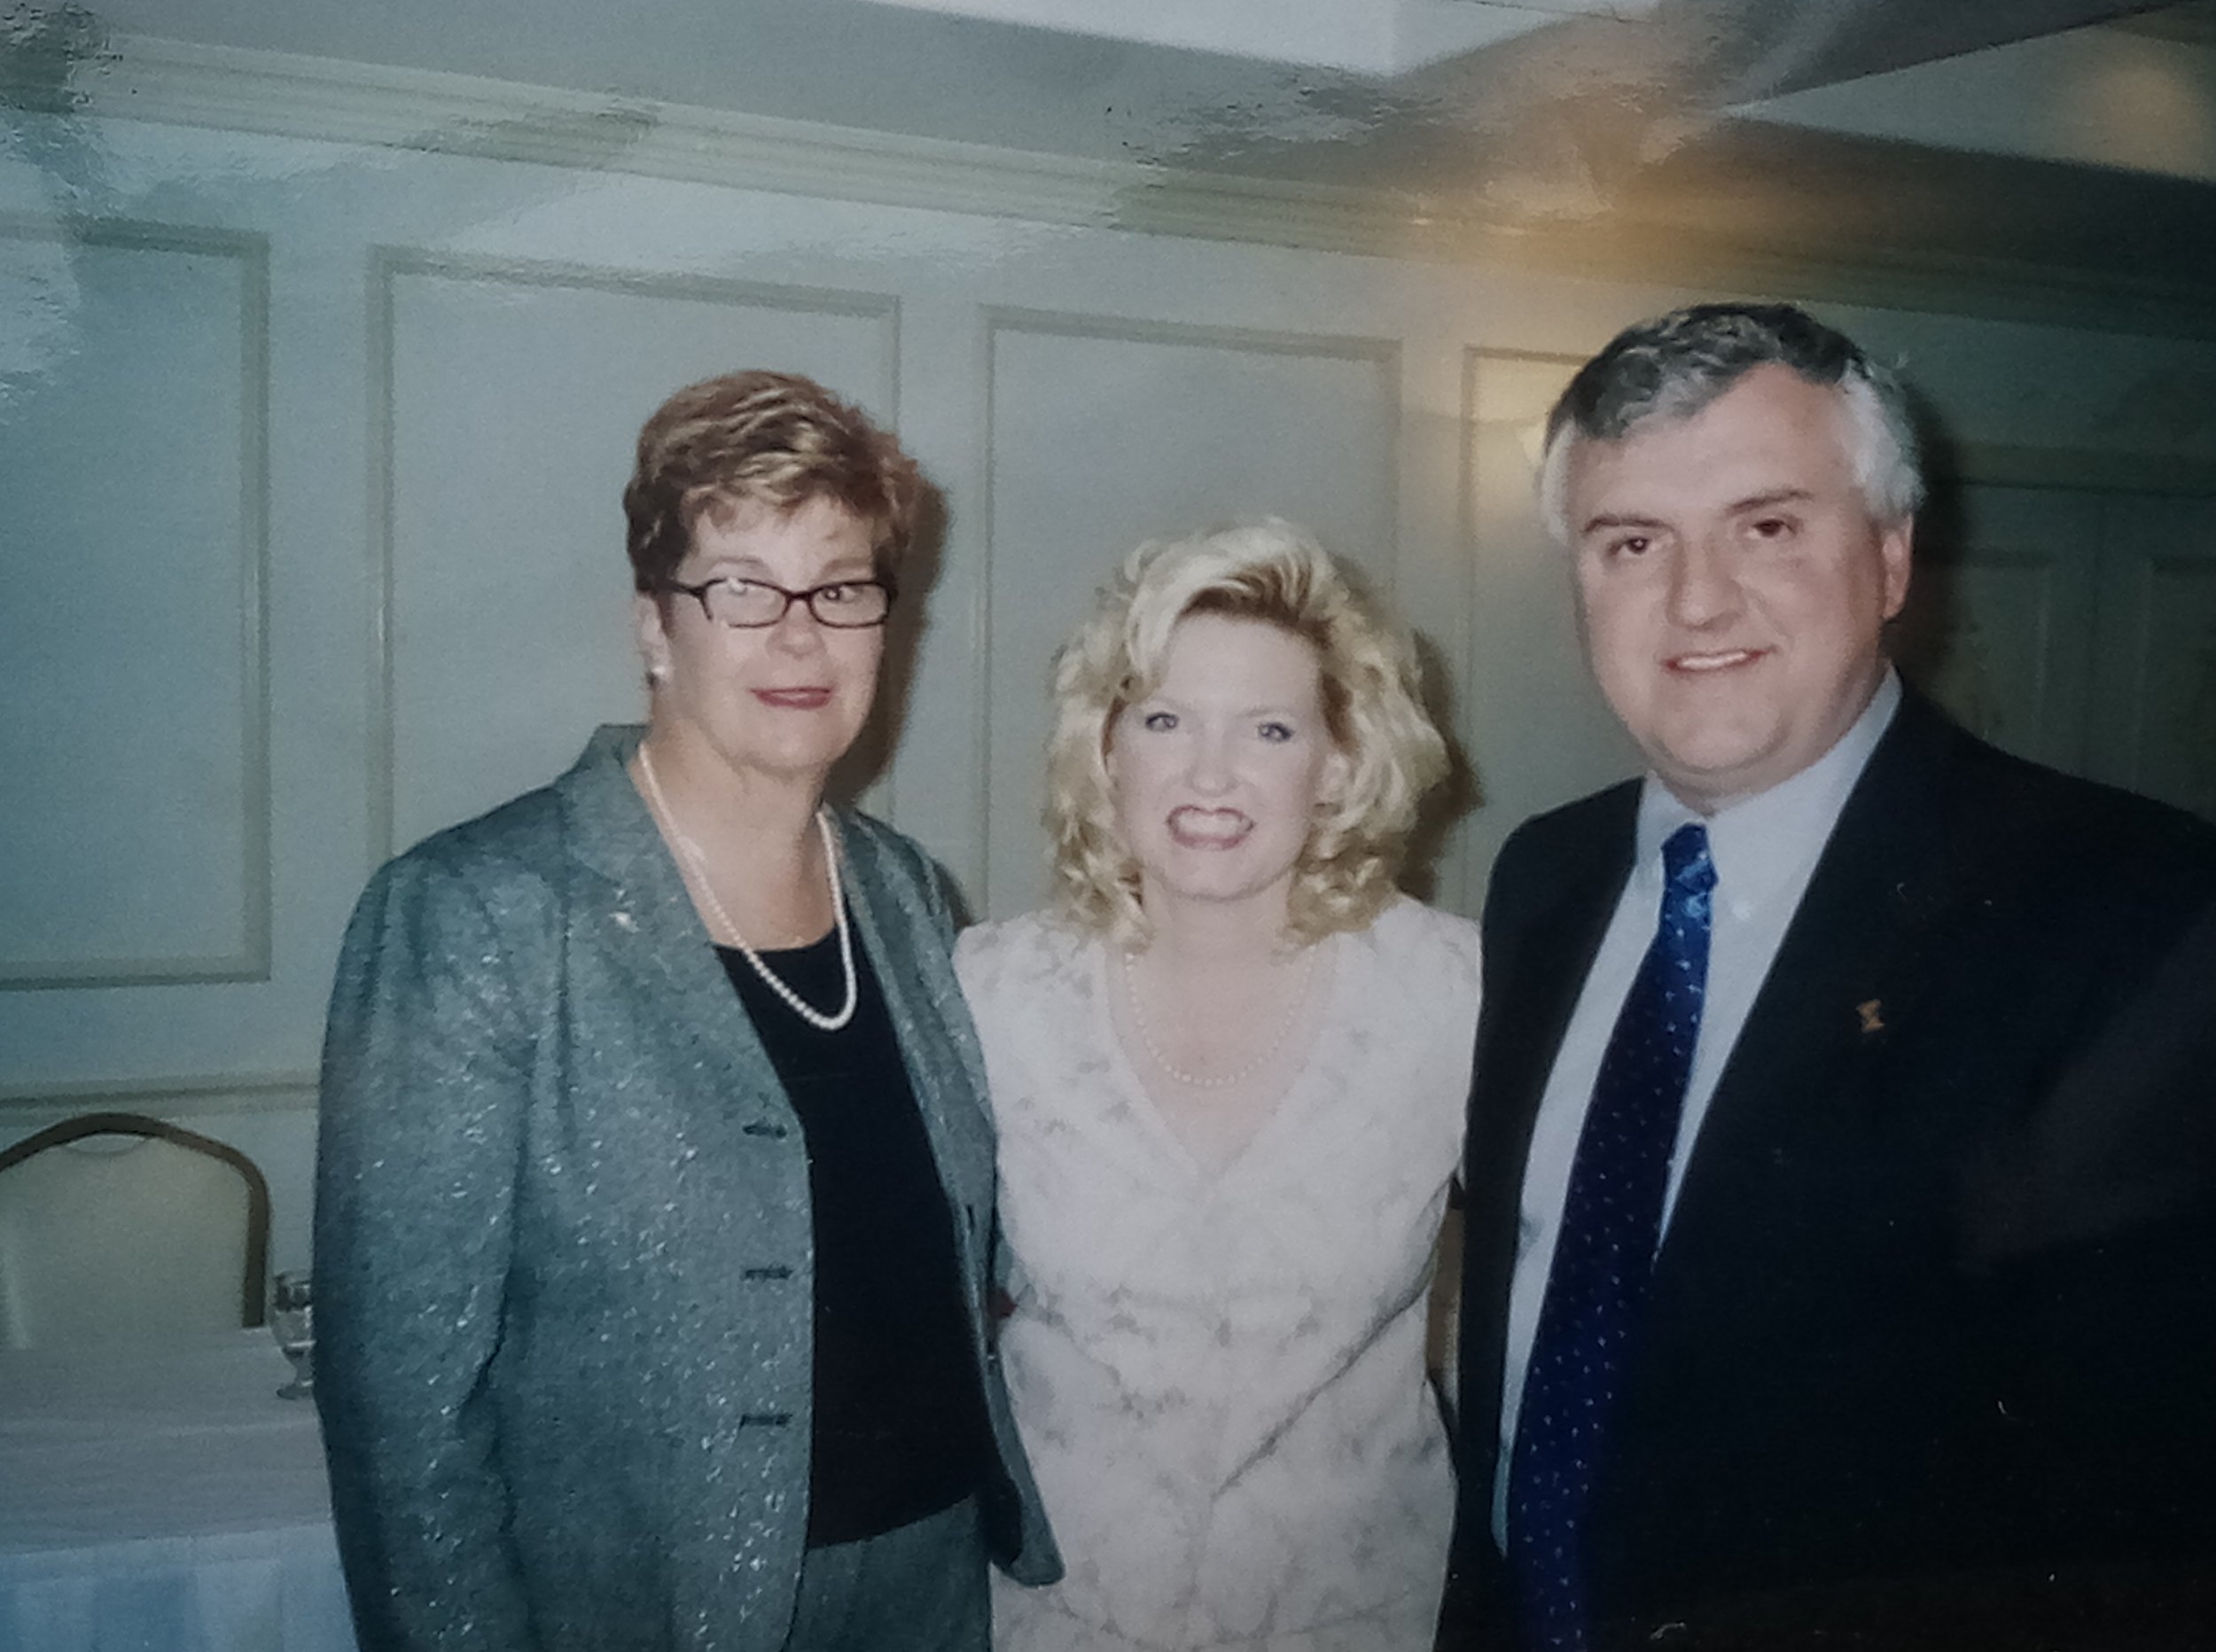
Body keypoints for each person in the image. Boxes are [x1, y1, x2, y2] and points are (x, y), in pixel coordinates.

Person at [1439, 302, 2216, 1650]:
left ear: (1895, 556)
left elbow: (2145, 1503)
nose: (1696, 599)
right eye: (1633, 541)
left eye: (1769, 525)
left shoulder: (2127, 909)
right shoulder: (1542, 879)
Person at [315, 370, 1058, 1652]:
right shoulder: (474, 914)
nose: (799, 635)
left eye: (840, 586)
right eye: (740, 588)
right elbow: (402, 1412)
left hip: (935, 1576)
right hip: (650, 1601)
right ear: (655, 627)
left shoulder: (905, 892)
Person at [957, 520, 1481, 1652]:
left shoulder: (1455, 995)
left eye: (1269, 728)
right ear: (1106, 748)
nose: (1209, 773)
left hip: (1362, 1617)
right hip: (1056, 1619)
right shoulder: (991, 994)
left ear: (1338, 759)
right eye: (1163, 719)